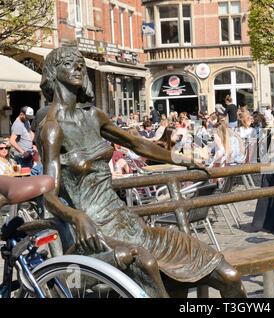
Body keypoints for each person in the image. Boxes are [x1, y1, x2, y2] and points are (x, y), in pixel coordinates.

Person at [38, 47, 246, 298]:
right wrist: (76, 217)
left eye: (80, 63)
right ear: (53, 72)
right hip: (96, 233)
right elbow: (48, 195)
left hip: (130, 225)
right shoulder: (51, 128)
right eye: (69, 63)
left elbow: (139, 144)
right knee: (147, 265)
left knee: (229, 276)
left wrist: (182, 159)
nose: (78, 67)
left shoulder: (93, 116)